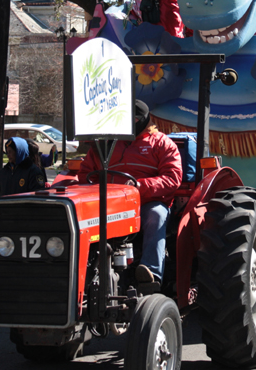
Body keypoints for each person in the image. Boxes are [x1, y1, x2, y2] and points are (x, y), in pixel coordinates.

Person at [78, 100, 182, 285]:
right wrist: (100, 186)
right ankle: (84, 273)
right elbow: (86, 173)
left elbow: (172, 178)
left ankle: (151, 274)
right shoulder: (105, 146)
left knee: (156, 216)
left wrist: (140, 186)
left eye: (133, 120)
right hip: (112, 203)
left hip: (147, 202)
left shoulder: (161, 143)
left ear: (143, 120)